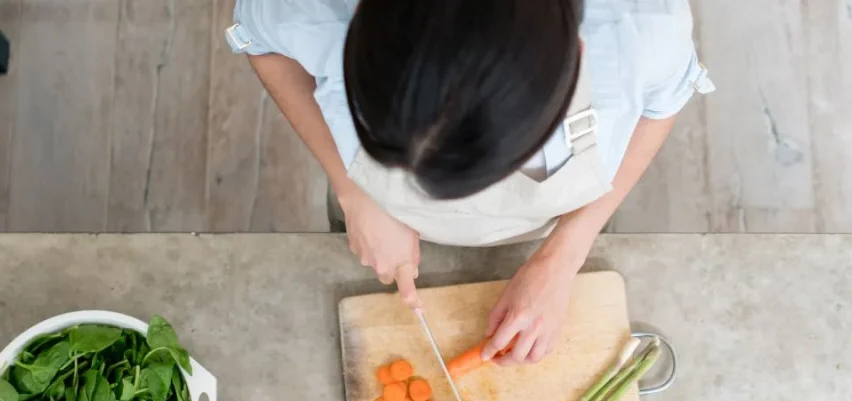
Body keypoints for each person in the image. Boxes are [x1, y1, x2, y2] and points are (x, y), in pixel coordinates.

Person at [226, 0, 713, 365]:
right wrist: (354, 192)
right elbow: (263, 44)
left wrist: (566, 251)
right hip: (374, 224)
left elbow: (660, 106)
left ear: (575, 58)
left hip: (557, 226)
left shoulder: (639, 24)